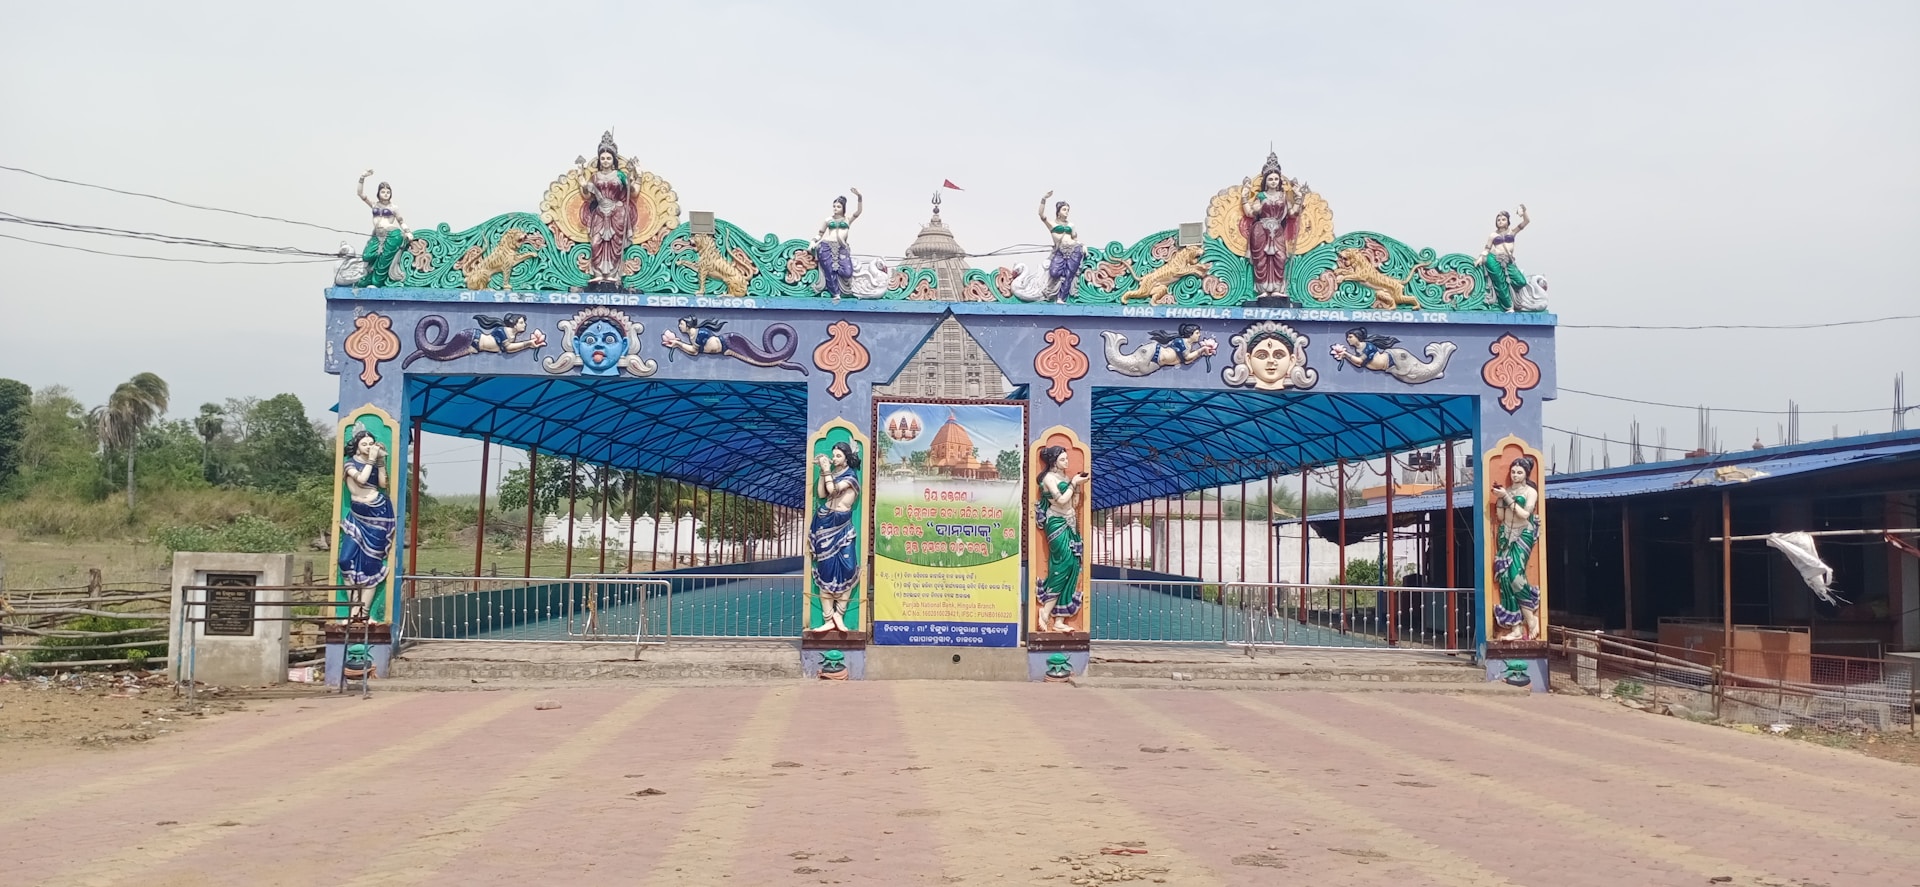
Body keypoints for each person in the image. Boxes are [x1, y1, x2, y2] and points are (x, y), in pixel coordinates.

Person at [338, 427, 395, 621]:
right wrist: (371, 459)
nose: (369, 446)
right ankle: (353, 610)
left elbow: (382, 484)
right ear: (356, 447)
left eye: (371, 444)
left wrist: (380, 462)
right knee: (345, 560)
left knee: (371, 565)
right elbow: (361, 480)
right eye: (364, 444)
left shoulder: (374, 462)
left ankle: (364, 615)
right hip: (357, 515)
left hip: (378, 514)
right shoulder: (349, 465)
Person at [1033, 445, 1090, 633]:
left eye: (1067, 459)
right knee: (1061, 566)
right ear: (1053, 461)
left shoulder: (1065, 478)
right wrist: (1074, 484)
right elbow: (1061, 501)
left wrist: (1078, 487)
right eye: (1063, 459)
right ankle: (1045, 611)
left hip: (1070, 523)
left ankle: (1059, 620)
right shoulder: (1049, 479)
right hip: (1056, 524)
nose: (1067, 462)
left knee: (1073, 566)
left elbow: (1072, 502)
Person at [809, 441, 862, 632]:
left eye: (838, 456)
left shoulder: (851, 477)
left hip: (843, 527)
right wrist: (824, 471)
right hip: (824, 524)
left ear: (847, 458)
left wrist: (826, 469)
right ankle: (828, 618)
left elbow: (834, 490)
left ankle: (840, 613)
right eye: (834, 455)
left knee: (848, 569)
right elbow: (822, 493)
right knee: (825, 570)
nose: (834, 459)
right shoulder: (832, 474)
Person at [1239, 152, 1306, 298]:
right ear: (1266, 181)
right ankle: (1262, 291)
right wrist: (1245, 196)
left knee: (1279, 258)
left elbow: (1293, 213)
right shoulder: (1261, 196)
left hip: (1277, 231)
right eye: (1270, 179)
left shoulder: (1283, 196)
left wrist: (1299, 197)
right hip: (1261, 231)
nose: (1274, 181)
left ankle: (1277, 290)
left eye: (1276, 179)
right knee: (1261, 260)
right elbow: (1250, 212)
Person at [1491, 454, 1543, 640]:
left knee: (1515, 575)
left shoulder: (1530, 492)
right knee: (1505, 579)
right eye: (1513, 472)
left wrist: (1506, 496)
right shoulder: (1508, 491)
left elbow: (1524, 514)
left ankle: (1530, 619)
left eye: (1519, 472)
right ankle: (1516, 627)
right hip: (1506, 534)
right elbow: (1501, 517)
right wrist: (1499, 498)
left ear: (1526, 474)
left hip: (1524, 533)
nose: (1515, 475)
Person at [578, 132, 638, 288]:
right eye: (602, 158)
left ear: (613, 160)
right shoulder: (595, 176)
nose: (605, 161)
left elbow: (633, 192)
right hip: (599, 212)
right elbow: (586, 195)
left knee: (615, 244)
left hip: (617, 213)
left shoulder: (620, 175)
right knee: (596, 243)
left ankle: (614, 275)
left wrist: (636, 175)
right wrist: (582, 182)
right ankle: (598, 274)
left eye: (608, 158)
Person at [354, 171, 410, 287]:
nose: (385, 194)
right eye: (383, 191)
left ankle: (376, 281)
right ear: (378, 193)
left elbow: (401, 221)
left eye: (388, 192)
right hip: (377, 235)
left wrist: (408, 232)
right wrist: (362, 178)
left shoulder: (393, 207)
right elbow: (360, 193)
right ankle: (370, 275)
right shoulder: (374, 205)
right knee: (367, 256)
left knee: (384, 260)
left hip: (392, 234)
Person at [1476, 206, 1531, 310]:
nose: (1500, 221)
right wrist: (1480, 258)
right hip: (1495, 259)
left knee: (1521, 281)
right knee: (1500, 282)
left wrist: (1524, 212)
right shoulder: (1493, 235)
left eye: (1503, 219)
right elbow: (1487, 248)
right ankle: (1508, 306)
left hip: (1508, 261)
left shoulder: (1512, 232)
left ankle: (1514, 295)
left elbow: (1526, 221)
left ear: (1508, 221)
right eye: (1498, 220)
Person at [814, 190, 863, 300]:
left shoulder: (847, 219)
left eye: (838, 206)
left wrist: (859, 197)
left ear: (843, 208)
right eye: (834, 206)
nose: (835, 208)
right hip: (825, 246)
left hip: (842, 247)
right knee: (829, 271)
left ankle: (839, 276)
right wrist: (813, 242)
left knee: (847, 272)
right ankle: (835, 293)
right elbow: (820, 234)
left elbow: (858, 212)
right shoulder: (828, 220)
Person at [1039, 192, 1085, 303]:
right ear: (1058, 211)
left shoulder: (1071, 225)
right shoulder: (1052, 224)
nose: (1067, 212)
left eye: (1068, 210)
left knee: (1070, 275)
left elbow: (1075, 239)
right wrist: (1044, 199)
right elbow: (1041, 215)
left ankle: (1061, 298)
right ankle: (1051, 291)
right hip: (1060, 250)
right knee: (1054, 272)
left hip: (1074, 250)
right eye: (1064, 209)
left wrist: (1083, 246)